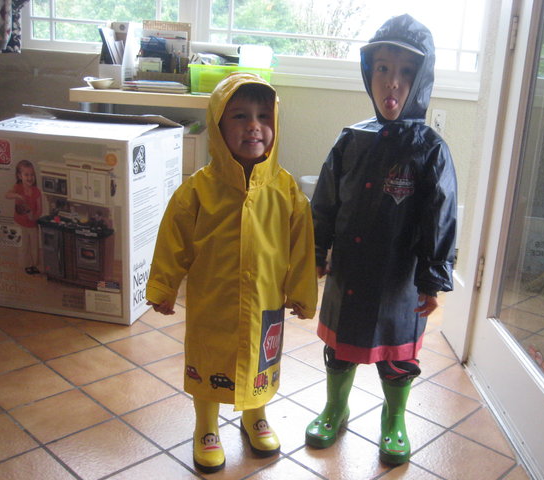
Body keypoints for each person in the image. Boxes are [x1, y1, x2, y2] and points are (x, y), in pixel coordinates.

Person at [146, 72, 317, 474]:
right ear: (217, 125)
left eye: (264, 116)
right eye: (240, 116)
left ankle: (255, 414)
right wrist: (163, 286)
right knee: (208, 359)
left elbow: (301, 247)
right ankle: (206, 426)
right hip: (212, 302)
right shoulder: (198, 191)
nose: (254, 126)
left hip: (265, 302)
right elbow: (173, 241)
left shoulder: (286, 190)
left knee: (261, 360)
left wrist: (302, 293)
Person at [305, 14, 457, 465]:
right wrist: (316, 250)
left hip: (399, 280)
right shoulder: (351, 140)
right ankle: (335, 407)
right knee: (341, 347)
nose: (392, 82)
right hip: (349, 273)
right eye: (383, 69)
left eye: (406, 72)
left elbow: (441, 216)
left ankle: (394, 420)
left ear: (421, 79)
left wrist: (432, 277)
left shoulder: (430, 149)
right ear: (368, 73)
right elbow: (325, 201)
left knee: (397, 355)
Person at [5, 159, 42, 274]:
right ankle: (27, 265)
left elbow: (39, 210)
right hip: (20, 223)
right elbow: (7, 195)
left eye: (32, 174)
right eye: (26, 175)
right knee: (23, 246)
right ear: (19, 176)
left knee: (34, 246)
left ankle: (34, 264)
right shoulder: (17, 188)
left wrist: (33, 217)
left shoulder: (36, 192)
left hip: (32, 224)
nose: (30, 177)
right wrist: (18, 196)